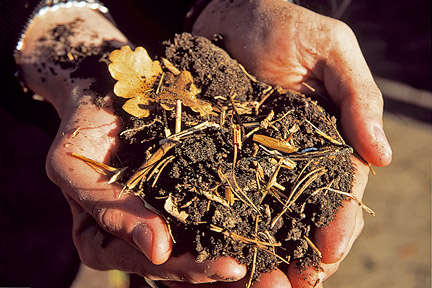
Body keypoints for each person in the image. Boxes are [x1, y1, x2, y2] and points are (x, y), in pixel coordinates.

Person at [2, 0, 392, 287]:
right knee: (37, 254)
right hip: (24, 115)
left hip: (201, 27)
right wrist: (44, 26)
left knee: (155, 260)